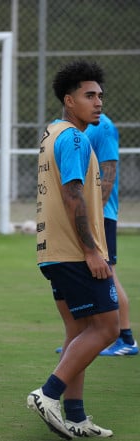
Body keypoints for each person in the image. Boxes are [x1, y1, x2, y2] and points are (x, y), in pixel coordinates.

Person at [27, 60, 117, 440]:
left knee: (78, 331)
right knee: (108, 328)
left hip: (52, 252)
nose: (98, 102)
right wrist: (93, 251)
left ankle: (77, 417)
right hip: (74, 253)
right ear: (69, 100)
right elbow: (72, 194)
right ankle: (48, 393)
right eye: (89, 95)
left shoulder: (52, 133)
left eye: (99, 95)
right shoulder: (76, 139)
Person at [86, 114, 137, 356]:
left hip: (102, 214)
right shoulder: (79, 126)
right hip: (88, 212)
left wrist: (95, 214)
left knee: (108, 272)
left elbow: (109, 170)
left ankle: (126, 339)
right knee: (89, 273)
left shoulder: (102, 126)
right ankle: (91, 337)